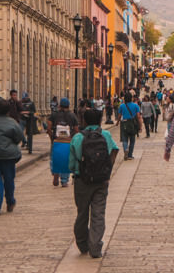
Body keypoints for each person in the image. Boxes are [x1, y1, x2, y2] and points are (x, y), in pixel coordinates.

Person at [70, 107, 118, 258]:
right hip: (101, 180)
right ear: (99, 121)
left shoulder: (77, 138)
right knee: (98, 214)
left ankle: (82, 243)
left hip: (82, 180)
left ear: (83, 120)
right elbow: (115, 150)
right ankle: (95, 247)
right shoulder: (106, 135)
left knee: (82, 213)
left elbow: (71, 164)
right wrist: (107, 169)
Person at [49, 98, 80, 187]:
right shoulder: (72, 115)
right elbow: (76, 130)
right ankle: (64, 180)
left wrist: (52, 138)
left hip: (56, 140)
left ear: (60, 105)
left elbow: (48, 127)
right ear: (68, 105)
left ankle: (55, 173)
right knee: (66, 160)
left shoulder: (54, 114)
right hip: (67, 141)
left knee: (53, 158)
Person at [117, 91, 142, 159]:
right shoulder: (136, 106)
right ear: (131, 98)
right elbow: (138, 117)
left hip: (124, 123)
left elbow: (119, 115)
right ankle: (130, 155)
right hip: (132, 124)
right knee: (132, 140)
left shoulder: (122, 106)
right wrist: (140, 126)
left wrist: (117, 122)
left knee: (124, 139)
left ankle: (125, 149)